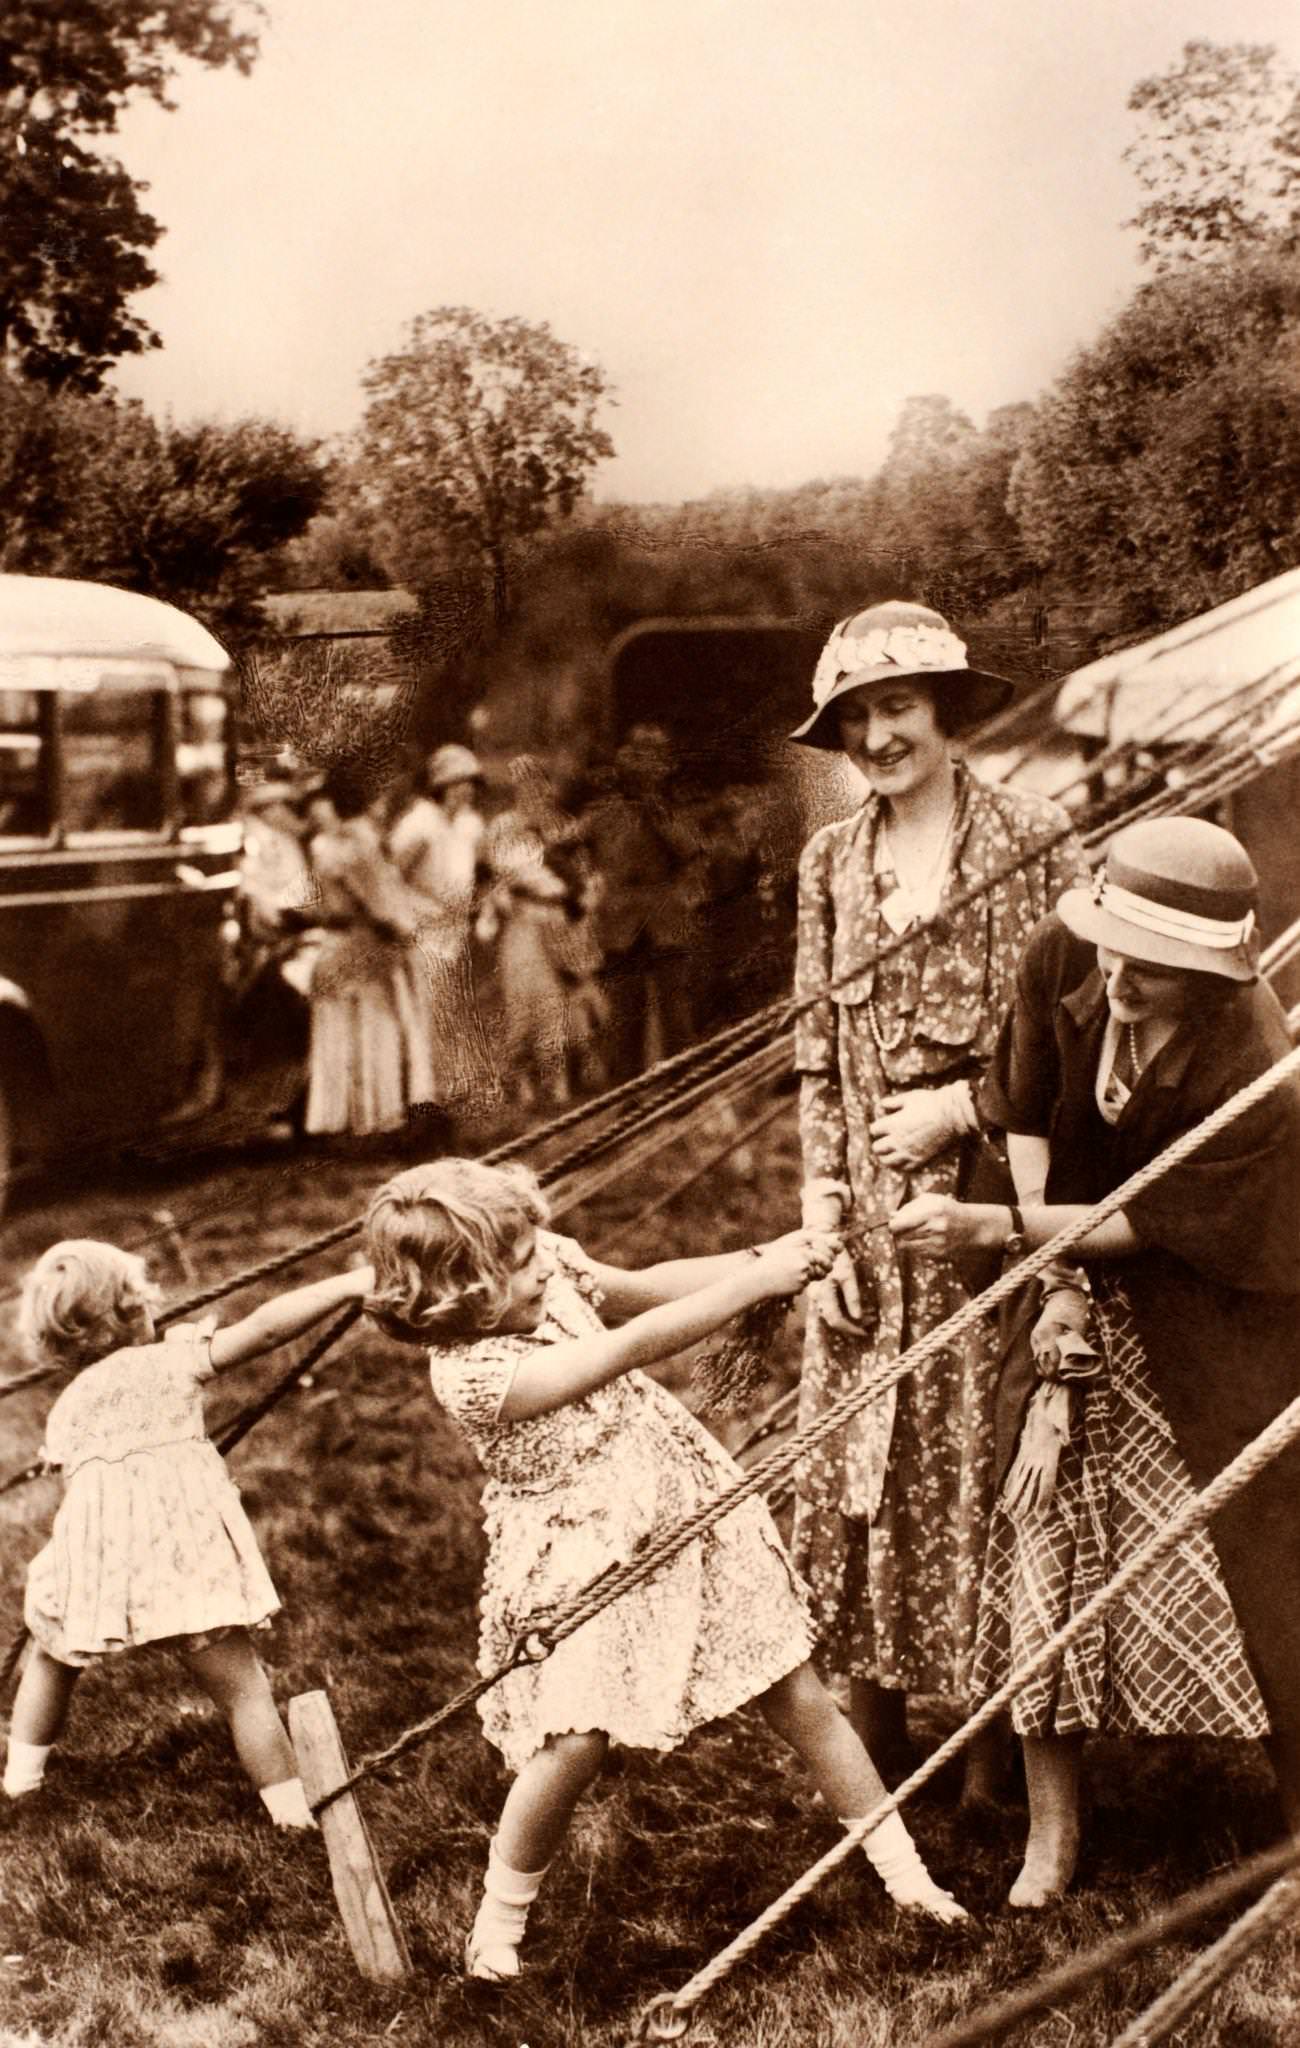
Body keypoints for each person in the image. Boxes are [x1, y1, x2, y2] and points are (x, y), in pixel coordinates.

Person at [361, 1158, 966, 1981]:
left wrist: (761, 1257)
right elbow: (630, 1346)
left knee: (796, 1691)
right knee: (573, 1743)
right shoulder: (471, 1377)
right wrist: (754, 1290)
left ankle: (909, 1879)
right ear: (464, 1296)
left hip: (681, 1505)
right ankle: (498, 1926)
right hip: (582, 1544)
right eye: (524, 1266)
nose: (546, 1267)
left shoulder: (545, 1270)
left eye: (540, 1252)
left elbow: (642, 1287)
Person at [889, 816, 1300, 1904]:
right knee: (1045, 1522)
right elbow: (1027, 1108)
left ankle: (1294, 1805)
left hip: (1222, 1299)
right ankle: (1051, 1830)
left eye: (1152, 966)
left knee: (1259, 1536)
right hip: (1063, 1251)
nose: (1118, 972)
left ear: (1205, 980)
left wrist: (1003, 1237)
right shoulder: (1064, 952)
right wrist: (1050, 1274)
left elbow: (1164, 1221)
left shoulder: (1254, 1062)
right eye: (1113, 942)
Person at [788, 599, 1089, 1792]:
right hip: (869, 1208)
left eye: (897, 706)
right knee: (870, 1457)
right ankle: (879, 1721)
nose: (877, 735)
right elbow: (816, 1045)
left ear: (946, 711)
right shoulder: (827, 862)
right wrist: (822, 1213)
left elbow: (1074, 1031)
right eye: (855, 717)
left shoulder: (1036, 836)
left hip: (994, 1192)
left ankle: (1002, 1744)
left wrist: (962, 1109)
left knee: (990, 1452)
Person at [2, 1239, 372, 1822]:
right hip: (179, 1563)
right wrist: (348, 1286)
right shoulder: (171, 1363)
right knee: (243, 1690)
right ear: (132, 1311)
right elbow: (266, 1330)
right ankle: (293, 1813)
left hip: (98, 1568)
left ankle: (20, 1784)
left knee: (51, 1656)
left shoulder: (68, 1406)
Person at [303, 761, 436, 1141]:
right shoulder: (360, 842)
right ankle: (373, 1121)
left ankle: (336, 1121)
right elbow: (383, 905)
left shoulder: (323, 844)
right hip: (366, 946)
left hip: (333, 945)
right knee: (375, 1030)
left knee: (337, 1034)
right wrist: (408, 931)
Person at [477, 759, 607, 1107]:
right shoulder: (503, 827)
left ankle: (558, 1082)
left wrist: (579, 905)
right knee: (522, 1005)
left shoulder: (561, 828)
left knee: (558, 1004)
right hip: (523, 926)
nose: (534, 791)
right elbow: (493, 881)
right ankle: (521, 1083)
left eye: (539, 784)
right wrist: (507, 902)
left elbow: (585, 876)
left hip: (560, 925)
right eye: (525, 784)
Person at [581, 725, 705, 1081]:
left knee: (674, 1010)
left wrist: (682, 895)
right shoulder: (605, 813)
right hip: (620, 921)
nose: (644, 777)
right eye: (637, 768)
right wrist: (594, 888)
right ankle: (626, 1090)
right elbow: (566, 847)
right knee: (625, 1010)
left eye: (653, 768)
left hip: (665, 919)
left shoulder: (671, 811)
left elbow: (694, 855)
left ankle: (681, 1086)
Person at [385, 745, 495, 1118]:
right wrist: (408, 916)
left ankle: (444, 1093)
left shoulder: (470, 824)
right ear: (438, 786)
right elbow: (391, 877)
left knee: (450, 1013)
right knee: (422, 1015)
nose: (464, 791)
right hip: (420, 931)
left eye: (470, 784)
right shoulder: (418, 824)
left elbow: (482, 871)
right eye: (456, 783)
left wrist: (477, 904)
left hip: (454, 932)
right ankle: (420, 1100)